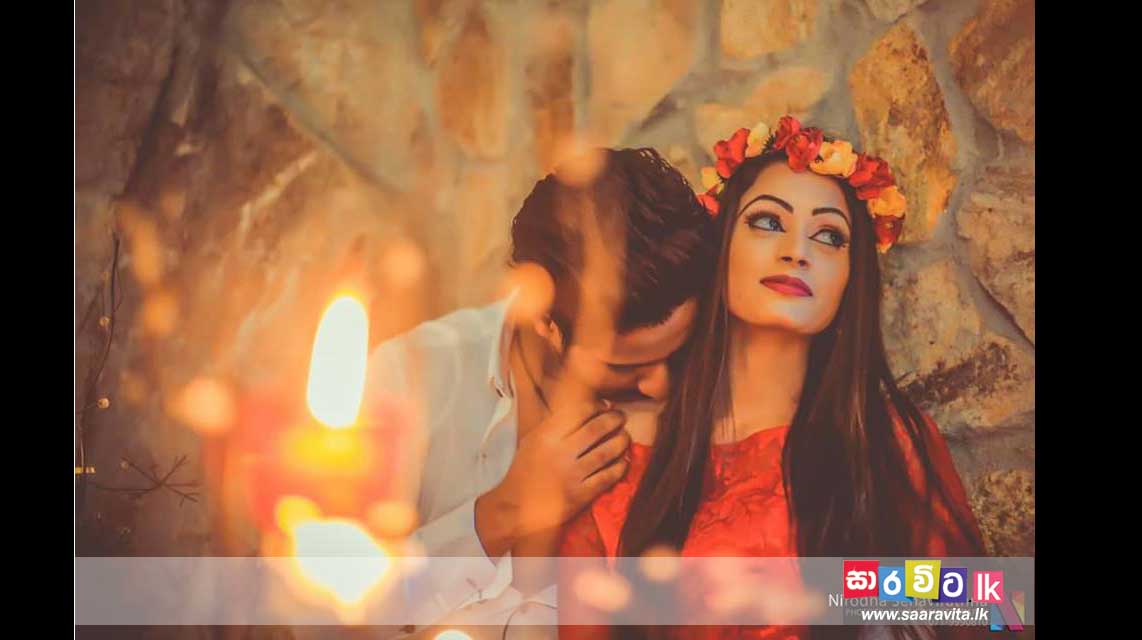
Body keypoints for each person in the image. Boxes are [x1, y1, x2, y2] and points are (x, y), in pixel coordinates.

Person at [558, 117, 986, 640]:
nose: (797, 251)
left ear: (851, 280)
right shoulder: (615, 448)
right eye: (767, 221)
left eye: (829, 236)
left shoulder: (886, 440)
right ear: (721, 247)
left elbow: (982, 611)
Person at [360, 147, 718, 637]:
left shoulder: (709, 401)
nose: (660, 384)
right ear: (544, 320)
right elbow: (323, 619)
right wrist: (499, 515)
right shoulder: (411, 376)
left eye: (674, 354)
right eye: (624, 366)